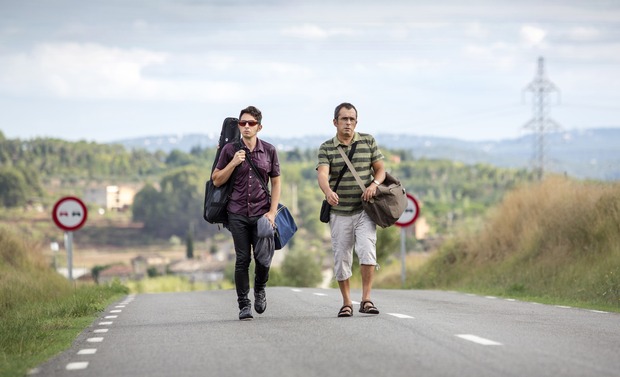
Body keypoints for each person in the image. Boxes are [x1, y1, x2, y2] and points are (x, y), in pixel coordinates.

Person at [317, 102, 386, 318]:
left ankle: (366, 299)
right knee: (342, 258)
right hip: (339, 212)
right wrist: (328, 191)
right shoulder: (327, 147)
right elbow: (322, 174)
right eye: (344, 119)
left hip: (365, 210)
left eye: (352, 119)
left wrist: (374, 185)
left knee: (367, 251)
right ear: (335, 122)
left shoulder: (368, 141)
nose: (348, 123)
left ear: (356, 121)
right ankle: (347, 302)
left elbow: (381, 169)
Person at [212, 106, 281, 321]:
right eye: (243, 123)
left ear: (259, 126)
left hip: (262, 213)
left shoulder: (269, 150)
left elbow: (276, 182)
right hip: (237, 212)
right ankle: (244, 304)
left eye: (251, 123)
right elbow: (216, 179)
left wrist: (272, 213)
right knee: (242, 259)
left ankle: (260, 288)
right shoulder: (229, 150)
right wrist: (233, 163)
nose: (247, 127)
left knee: (263, 259)